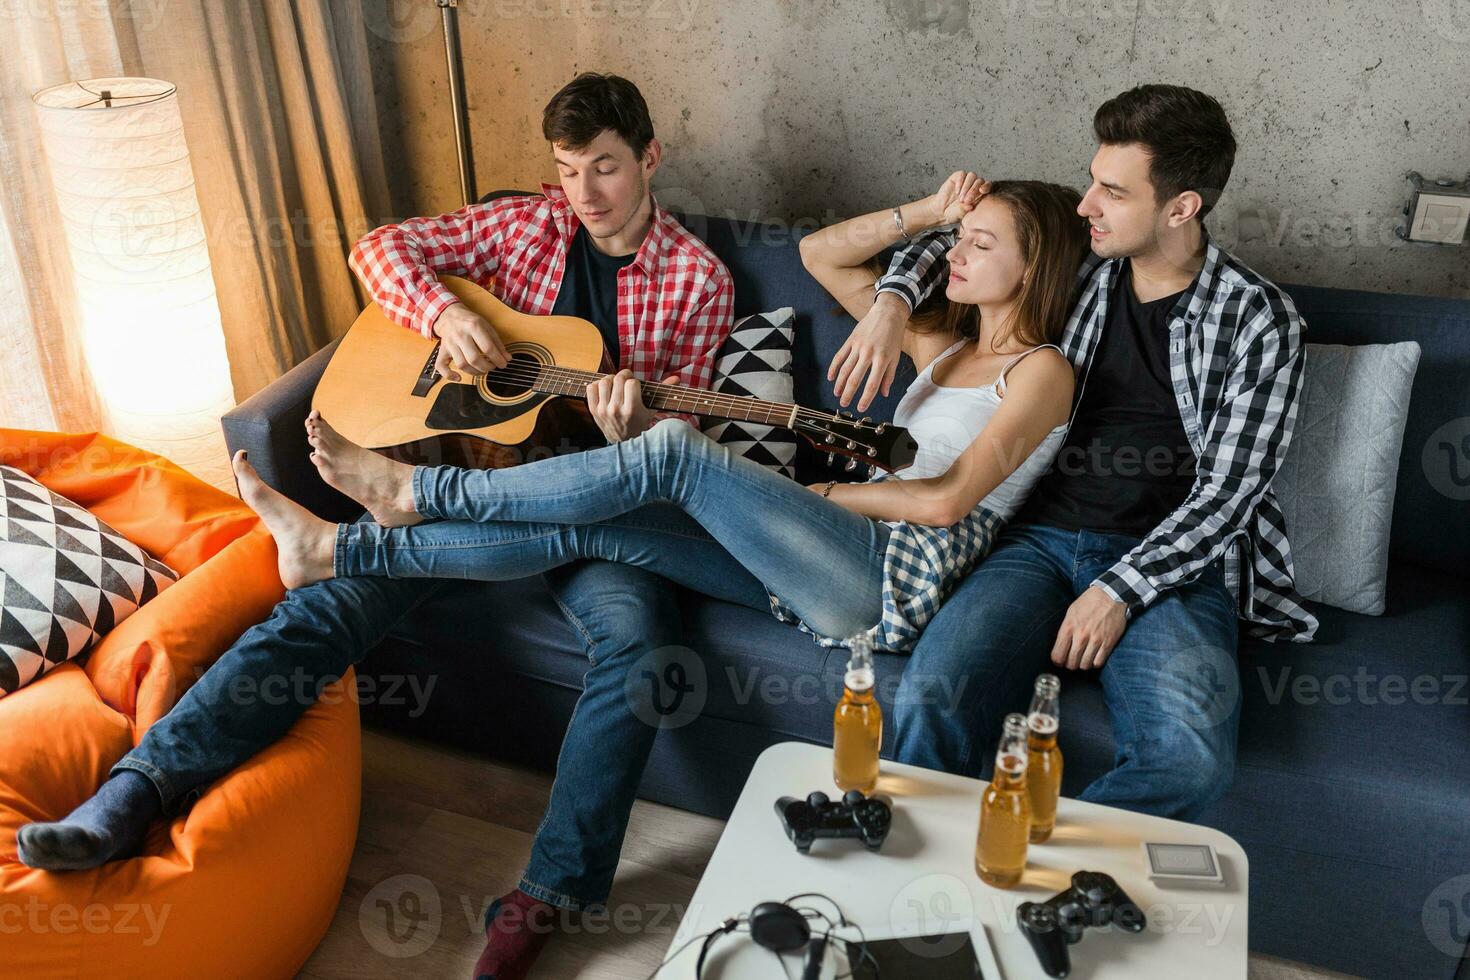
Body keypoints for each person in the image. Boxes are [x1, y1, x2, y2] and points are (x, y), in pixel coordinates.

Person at [18, 72, 734, 980]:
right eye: (566, 171)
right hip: (456, 475)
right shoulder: (522, 226)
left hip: (592, 509)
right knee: (325, 608)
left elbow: (682, 450)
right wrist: (444, 312)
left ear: (650, 159)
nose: (585, 196)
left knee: (639, 642)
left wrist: (635, 427)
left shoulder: (698, 281)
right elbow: (380, 248)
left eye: (605, 170)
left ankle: (546, 891)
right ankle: (131, 795)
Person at [222, 177, 1086, 683]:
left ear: (1034, 265)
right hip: (815, 558)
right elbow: (825, 255)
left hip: (884, 579)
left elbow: (945, 503)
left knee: (668, 448)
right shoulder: (939, 346)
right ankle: (339, 551)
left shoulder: (1041, 372)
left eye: (978, 244)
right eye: (959, 240)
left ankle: (417, 490)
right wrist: (926, 219)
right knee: (590, 528)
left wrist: (822, 490)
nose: (956, 256)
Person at [846, 85, 1318, 821]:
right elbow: (964, 242)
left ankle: (1015, 869)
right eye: (1092, 180)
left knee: (1189, 758)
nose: (1085, 205)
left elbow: (1230, 493)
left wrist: (1118, 591)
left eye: (1111, 191)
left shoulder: (1258, 320)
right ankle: (918, 898)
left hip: (1169, 567)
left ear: (1181, 207)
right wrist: (893, 301)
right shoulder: (1082, 274)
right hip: (1032, 542)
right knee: (931, 701)